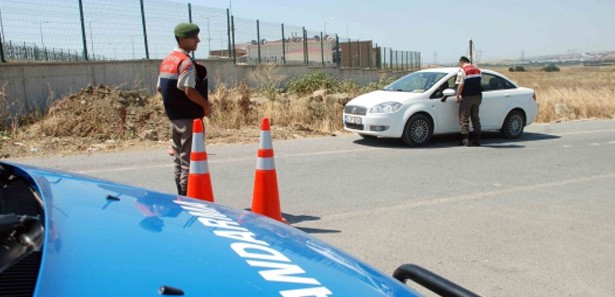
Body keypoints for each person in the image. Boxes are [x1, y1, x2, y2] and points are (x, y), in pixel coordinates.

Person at [157, 23, 211, 195]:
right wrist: (205, 105)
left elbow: (160, 88)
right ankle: (189, 199)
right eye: (194, 37)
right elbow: (188, 90)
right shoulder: (185, 62)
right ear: (183, 39)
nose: (198, 41)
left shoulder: (167, 60)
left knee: (179, 161)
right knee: (190, 161)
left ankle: (182, 196)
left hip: (174, 118)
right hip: (189, 119)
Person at [455, 56, 482, 146]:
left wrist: (458, 95)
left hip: (467, 97)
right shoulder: (477, 70)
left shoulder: (462, 70)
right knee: (475, 118)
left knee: (464, 119)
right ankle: (477, 140)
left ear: (462, 62)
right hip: (477, 97)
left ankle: (465, 140)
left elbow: (461, 85)